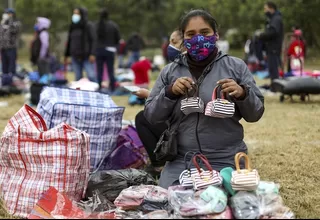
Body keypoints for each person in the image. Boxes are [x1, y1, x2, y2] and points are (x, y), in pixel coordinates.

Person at [144, 9, 264, 189]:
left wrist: (242, 94)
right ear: (183, 38)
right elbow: (151, 116)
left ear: (216, 35)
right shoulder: (170, 72)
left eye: (205, 33)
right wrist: (169, 93)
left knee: (223, 205)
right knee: (171, 203)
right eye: (191, 34)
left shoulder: (236, 67)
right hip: (182, 160)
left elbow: (256, 113)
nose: (198, 38)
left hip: (226, 158)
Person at [134, 29, 184, 178]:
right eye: (169, 42)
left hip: (183, 127)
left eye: (174, 42)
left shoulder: (181, 70)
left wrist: (149, 95)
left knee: (143, 118)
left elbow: (177, 103)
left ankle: (159, 166)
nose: (170, 46)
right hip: (178, 123)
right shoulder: (172, 68)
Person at [65, 7, 97, 82]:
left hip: (87, 56)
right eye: (74, 13)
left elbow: (94, 40)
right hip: (75, 56)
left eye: (77, 13)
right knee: (78, 77)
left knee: (91, 75)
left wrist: (92, 53)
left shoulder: (88, 26)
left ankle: (96, 91)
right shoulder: (72, 26)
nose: (75, 15)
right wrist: (67, 55)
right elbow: (69, 41)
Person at [258, 1, 284, 91]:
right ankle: (274, 85)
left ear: (271, 8)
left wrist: (262, 36)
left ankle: (275, 87)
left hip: (274, 48)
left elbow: (273, 32)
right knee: (272, 68)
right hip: (271, 48)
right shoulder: (273, 19)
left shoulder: (276, 19)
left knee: (274, 69)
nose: (265, 11)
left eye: (266, 9)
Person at [95, 8, 120, 92]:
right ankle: (112, 87)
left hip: (99, 50)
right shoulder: (113, 25)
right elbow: (118, 38)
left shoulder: (96, 25)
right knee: (110, 70)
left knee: (99, 71)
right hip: (110, 50)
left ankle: (99, 87)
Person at [0, 8, 21, 81]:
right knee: (4, 67)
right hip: (3, 49)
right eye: (6, 13)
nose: (7, 15)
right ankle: (5, 81)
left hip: (11, 48)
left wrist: (10, 20)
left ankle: (12, 81)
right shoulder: (2, 24)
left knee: (11, 67)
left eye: (9, 13)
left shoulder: (16, 23)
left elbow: (14, 30)